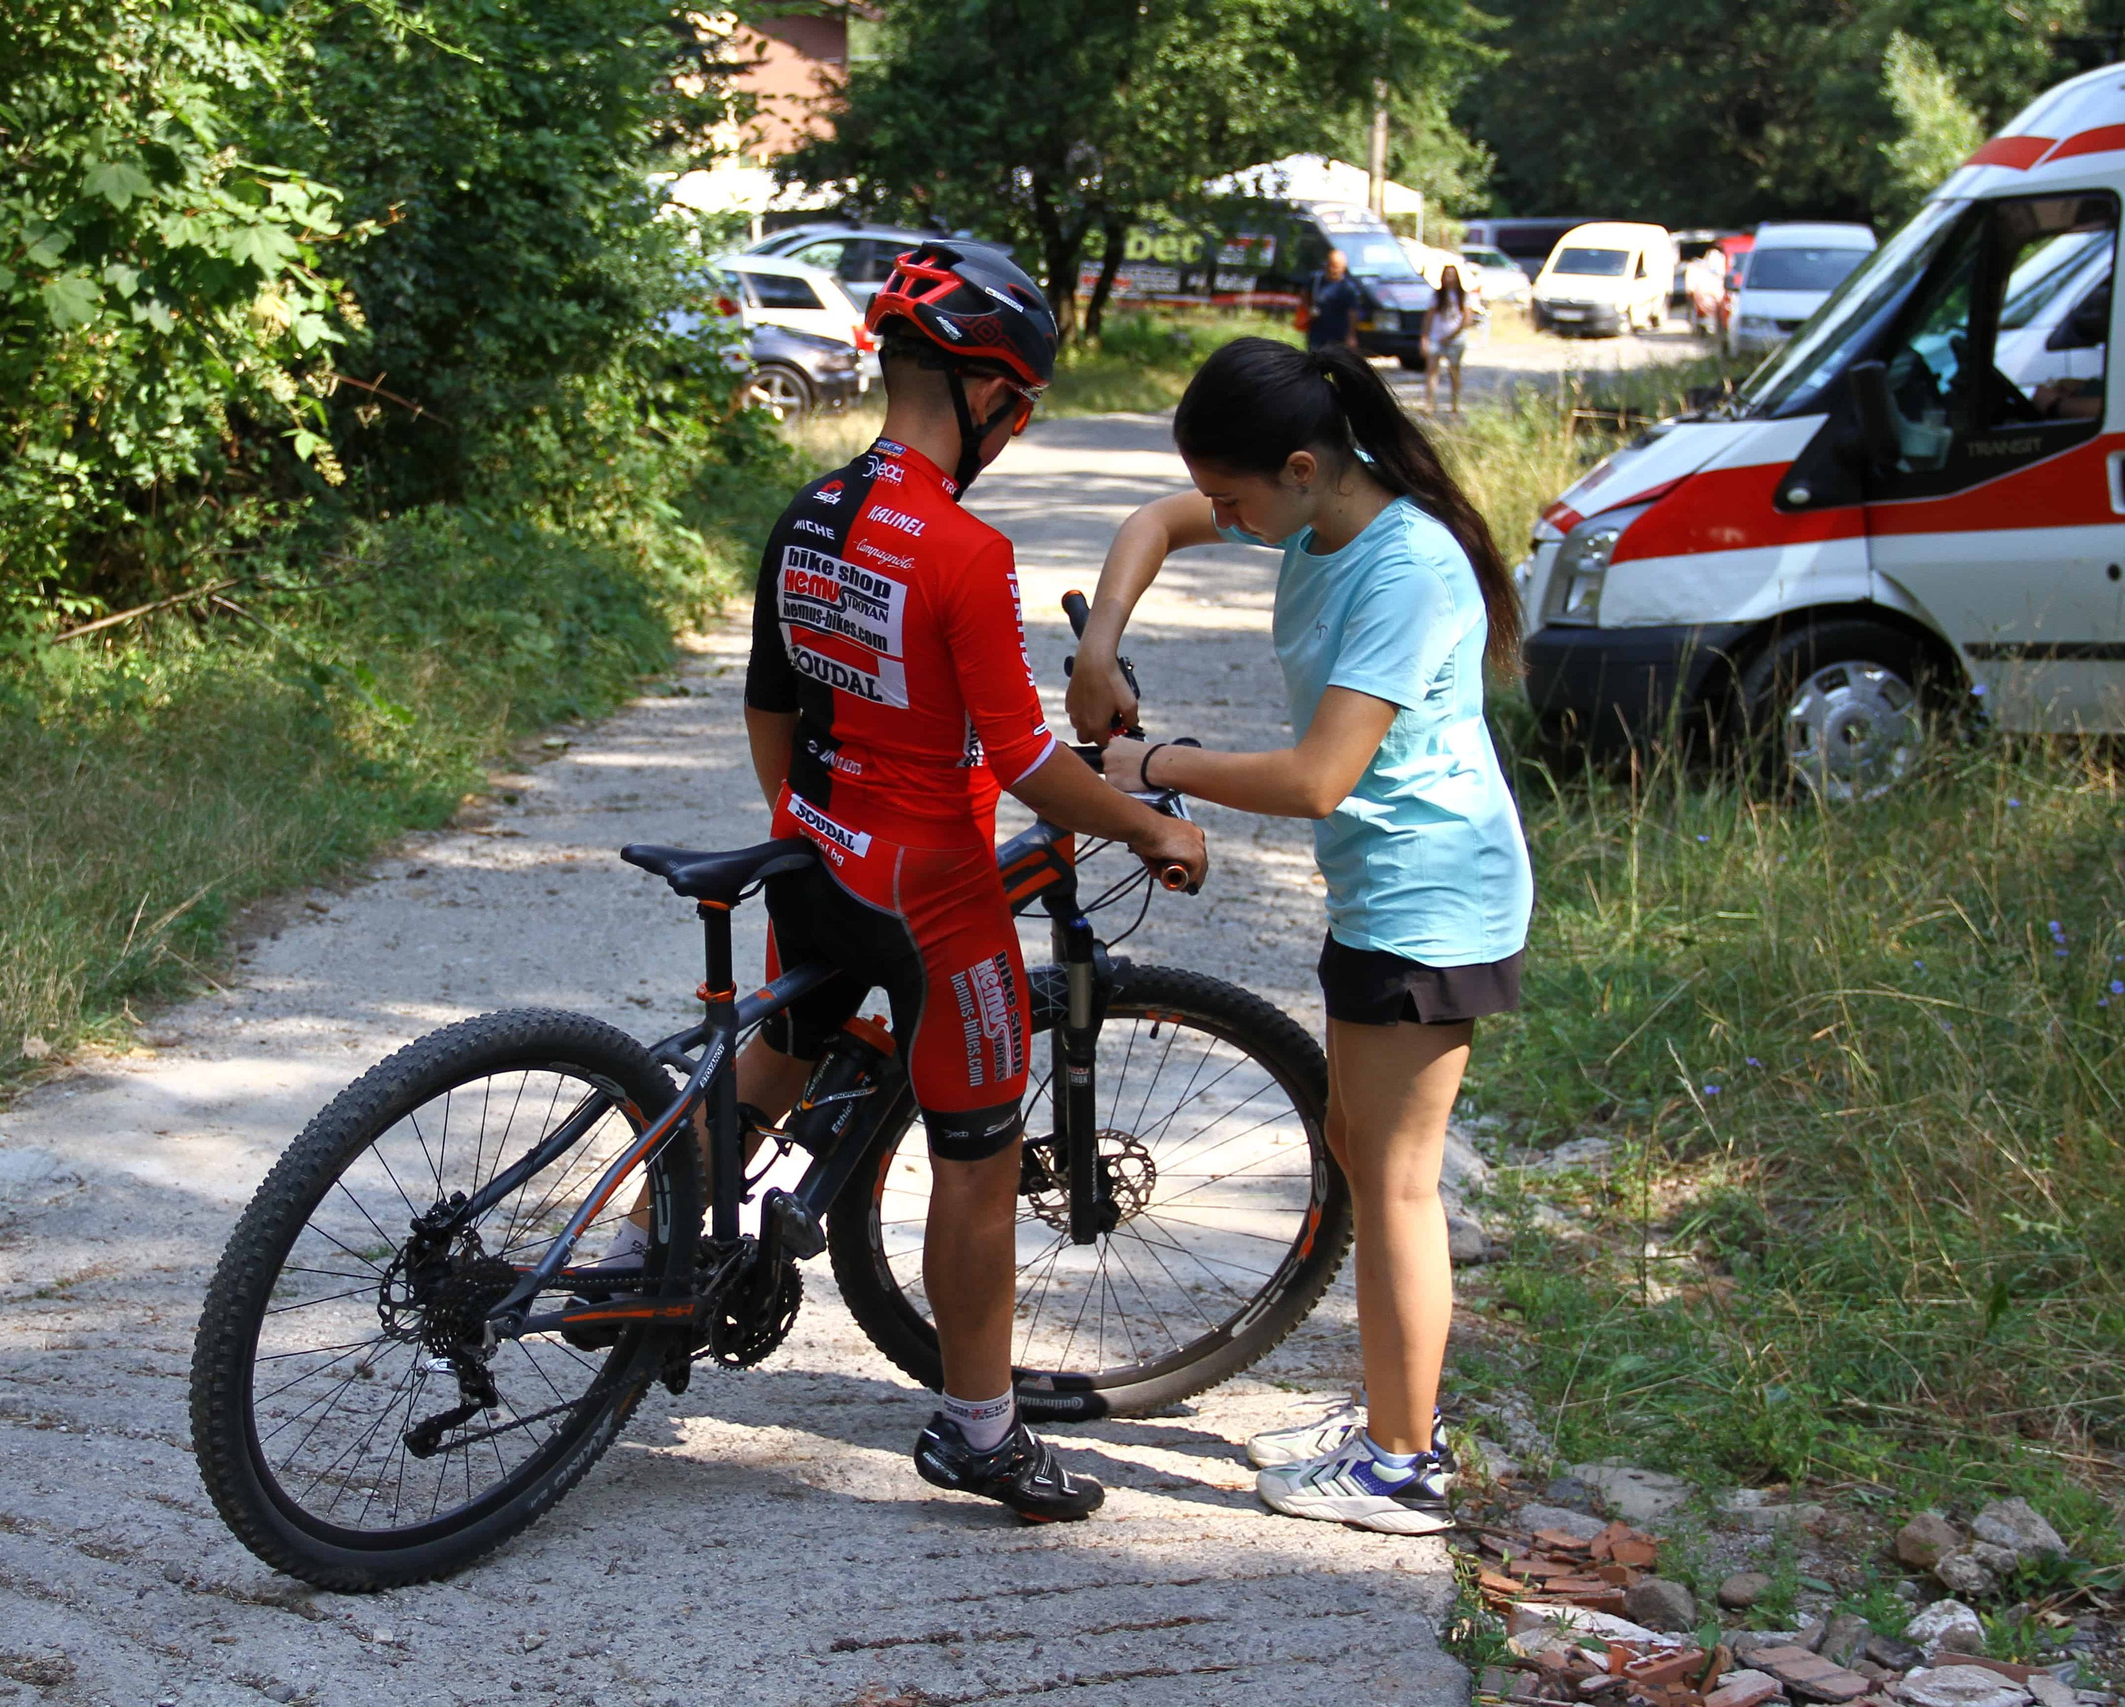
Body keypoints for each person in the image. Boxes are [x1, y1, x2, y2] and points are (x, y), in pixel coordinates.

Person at [604, 240, 1208, 1524]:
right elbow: (1033, 765)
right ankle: (979, 1433)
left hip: (812, 854)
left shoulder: (809, 511)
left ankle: (627, 1259)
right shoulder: (962, 553)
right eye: (1021, 407)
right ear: (993, 396)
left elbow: (773, 708)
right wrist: (1152, 829)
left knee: (779, 1056)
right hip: (930, 895)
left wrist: (818, 821)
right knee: (979, 1164)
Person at [1064, 338, 1532, 1535]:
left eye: (1235, 501)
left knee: (1396, 1183)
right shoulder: (1319, 512)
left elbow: (1321, 777)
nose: (1219, 516)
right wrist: (1099, 645)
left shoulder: (1404, 569)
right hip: (1382, 888)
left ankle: (1402, 1460)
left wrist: (1150, 763)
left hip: (1431, 895)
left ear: (1305, 466)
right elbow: (1151, 525)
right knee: (1354, 1140)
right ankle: (1391, 1407)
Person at [1420, 271, 1475, 416]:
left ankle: (1455, 404)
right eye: (1446, 275)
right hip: (1436, 338)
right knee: (1431, 371)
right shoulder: (1437, 295)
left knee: (1454, 372)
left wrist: (1451, 336)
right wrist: (1424, 337)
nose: (1449, 278)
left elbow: (1467, 320)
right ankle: (1429, 404)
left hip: (1456, 340)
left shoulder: (1463, 296)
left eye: (1452, 275)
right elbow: (1429, 317)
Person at [1307, 247, 1377, 354]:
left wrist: (1351, 336)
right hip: (1317, 334)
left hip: (1338, 335)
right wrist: (1308, 309)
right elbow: (1305, 294)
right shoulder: (1316, 280)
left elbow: (1352, 313)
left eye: (1336, 267)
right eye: (1331, 265)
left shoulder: (1347, 288)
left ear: (1343, 268)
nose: (1332, 270)